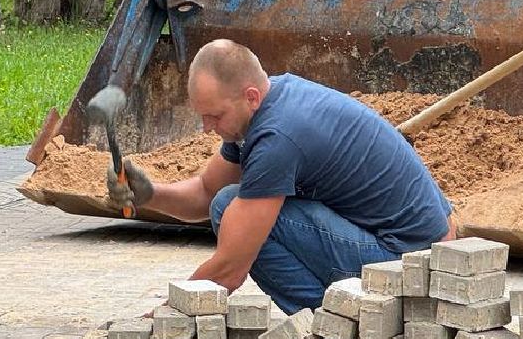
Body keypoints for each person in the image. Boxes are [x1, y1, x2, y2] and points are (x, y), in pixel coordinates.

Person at [109, 39, 455, 312]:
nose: (206, 128)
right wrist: (151, 195)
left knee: (234, 207)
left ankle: (334, 321)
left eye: (214, 116)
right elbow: (205, 191)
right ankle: (337, 315)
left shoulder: (278, 138)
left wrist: (166, 314)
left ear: (251, 97)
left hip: (409, 260)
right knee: (226, 202)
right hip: (417, 240)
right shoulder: (268, 106)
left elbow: (230, 269)